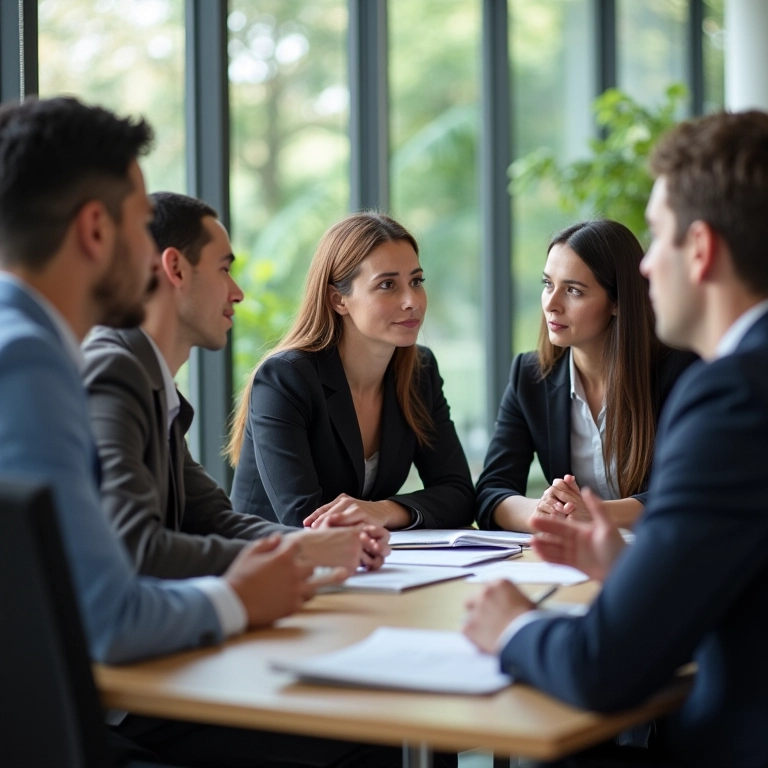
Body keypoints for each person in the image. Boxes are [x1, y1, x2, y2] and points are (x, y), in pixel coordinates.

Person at [0, 96, 405, 768]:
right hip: (76, 727)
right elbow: (108, 613)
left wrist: (302, 550)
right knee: (360, 736)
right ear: (96, 230)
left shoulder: (41, 350)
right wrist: (239, 598)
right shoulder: (31, 362)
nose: (151, 254)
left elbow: (199, 519)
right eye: (140, 224)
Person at [463, 109, 768, 768]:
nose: (648, 267)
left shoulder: (733, 395)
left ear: (701, 249)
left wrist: (512, 626)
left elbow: (601, 666)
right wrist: (629, 566)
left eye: (657, 237)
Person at [82, 191, 389, 579]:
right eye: (224, 269)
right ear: (176, 269)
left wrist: (318, 543)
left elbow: (214, 519)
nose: (237, 293)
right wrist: (304, 551)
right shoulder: (115, 372)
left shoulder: (151, 381)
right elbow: (136, 548)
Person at [227, 211, 475, 530]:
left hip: (362, 554)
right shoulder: (285, 379)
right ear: (338, 300)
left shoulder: (419, 372)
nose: (411, 301)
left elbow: (459, 494)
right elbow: (304, 520)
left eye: (416, 281)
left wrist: (384, 510)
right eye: (387, 285)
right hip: (268, 555)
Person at [476, 219, 694, 533]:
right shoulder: (530, 376)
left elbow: (690, 490)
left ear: (617, 302)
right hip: (578, 555)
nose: (551, 304)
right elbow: (490, 492)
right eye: (548, 284)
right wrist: (543, 511)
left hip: (661, 551)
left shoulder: (681, 372)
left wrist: (592, 512)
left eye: (573, 291)